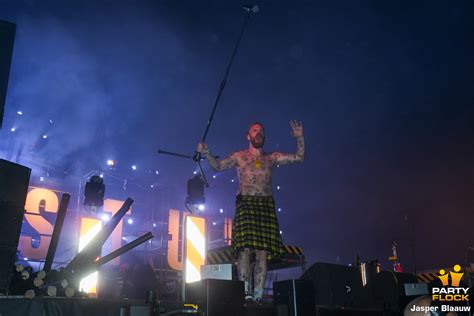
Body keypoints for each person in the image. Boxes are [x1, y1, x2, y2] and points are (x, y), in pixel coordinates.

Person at [196, 120, 305, 301]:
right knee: (244, 249)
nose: (258, 132)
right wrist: (206, 152)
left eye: (261, 130)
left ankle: (257, 296)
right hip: (245, 202)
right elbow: (218, 166)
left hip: (265, 204)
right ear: (248, 136)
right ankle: (245, 293)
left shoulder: (271, 158)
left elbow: (299, 157)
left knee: (262, 251)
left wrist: (300, 137)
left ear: (264, 137)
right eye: (255, 130)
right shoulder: (240, 156)